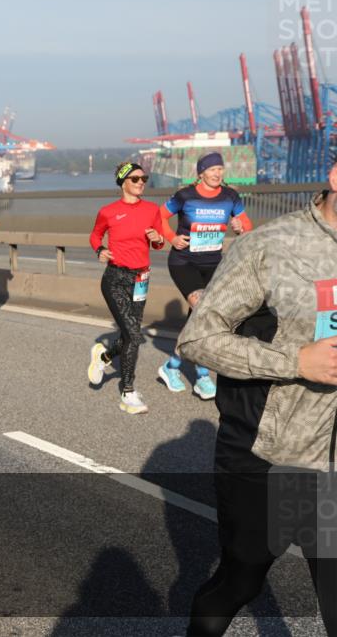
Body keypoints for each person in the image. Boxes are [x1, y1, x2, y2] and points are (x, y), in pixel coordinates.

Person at [178, 162, 337, 636]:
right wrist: (296, 362)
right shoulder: (269, 246)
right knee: (240, 581)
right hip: (274, 457)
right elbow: (197, 340)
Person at [156, 152, 253, 401]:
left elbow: (246, 223)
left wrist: (241, 227)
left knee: (200, 319)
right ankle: (202, 376)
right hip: (184, 262)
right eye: (212, 170)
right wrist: (172, 238)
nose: (217, 173)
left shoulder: (230, 196)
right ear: (201, 173)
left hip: (213, 265)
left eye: (221, 169)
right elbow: (159, 216)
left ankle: (172, 366)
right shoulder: (185, 195)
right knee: (202, 310)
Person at [86, 163, 166, 414]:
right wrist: (100, 250)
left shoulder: (152, 210)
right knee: (134, 335)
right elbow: (95, 236)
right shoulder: (108, 212)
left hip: (141, 279)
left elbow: (159, 243)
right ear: (123, 183)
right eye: (135, 179)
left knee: (128, 334)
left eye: (144, 178)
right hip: (115, 278)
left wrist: (158, 239)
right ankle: (128, 392)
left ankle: (103, 358)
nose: (141, 182)